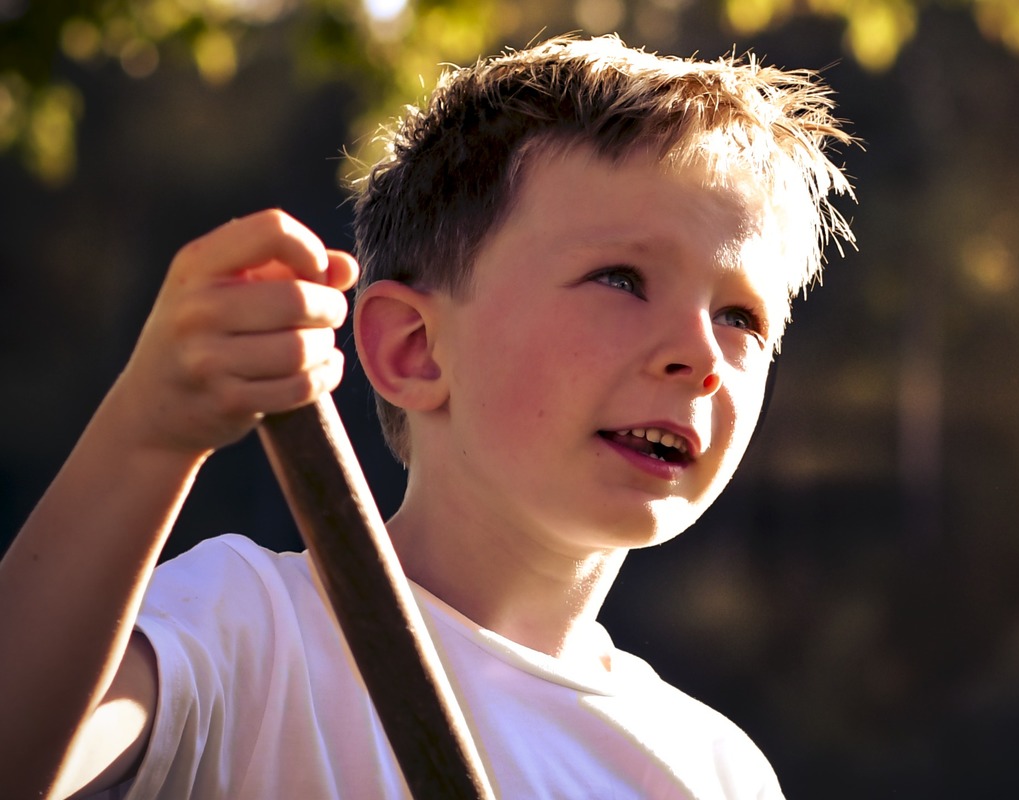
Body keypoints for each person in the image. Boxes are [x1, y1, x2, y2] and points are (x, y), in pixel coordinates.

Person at [0, 34, 854, 799]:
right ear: (414, 348)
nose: (701, 357)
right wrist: (151, 432)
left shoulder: (716, 772)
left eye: (742, 317)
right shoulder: (249, 630)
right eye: (623, 280)